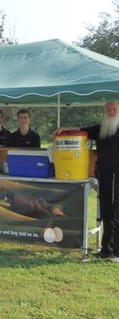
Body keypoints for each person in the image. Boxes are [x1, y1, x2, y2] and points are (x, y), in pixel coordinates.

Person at [53, 101, 119, 262]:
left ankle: (117, 252)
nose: (111, 112)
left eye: (114, 109)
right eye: (109, 109)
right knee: (106, 213)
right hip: (103, 175)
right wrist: (63, 129)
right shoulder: (101, 128)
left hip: (116, 175)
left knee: (116, 213)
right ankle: (106, 249)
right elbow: (81, 130)